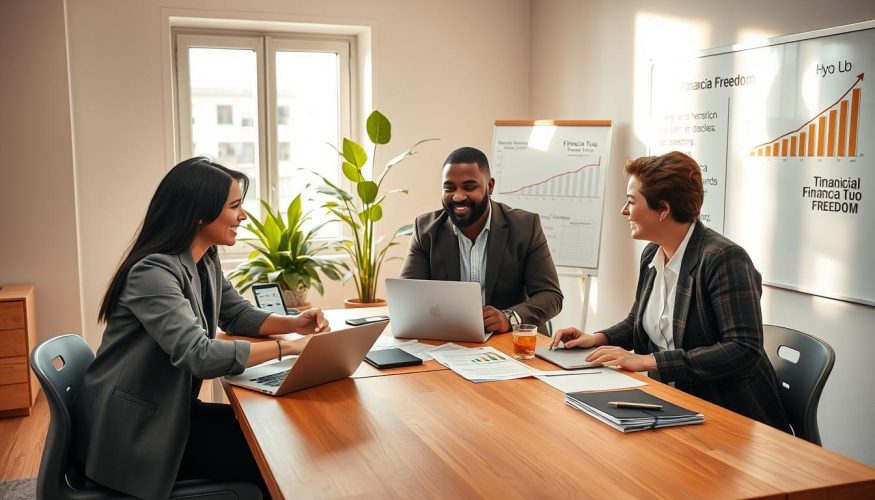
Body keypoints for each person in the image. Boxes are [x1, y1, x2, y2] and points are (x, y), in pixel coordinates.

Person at [71, 157, 330, 499]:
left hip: (166, 411)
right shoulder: (153, 272)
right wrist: (289, 348)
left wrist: (295, 323)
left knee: (270, 440)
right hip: (132, 433)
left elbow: (236, 314)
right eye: (235, 206)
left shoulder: (204, 258)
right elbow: (199, 355)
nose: (244, 216)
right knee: (273, 462)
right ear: (199, 213)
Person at [550, 151, 789, 431]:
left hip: (727, 412)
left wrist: (650, 361)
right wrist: (597, 338)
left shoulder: (724, 259)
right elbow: (638, 321)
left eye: (630, 201)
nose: (623, 211)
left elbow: (743, 349)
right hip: (670, 401)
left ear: (663, 209)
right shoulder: (652, 253)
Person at [400, 146, 563, 334]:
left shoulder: (525, 226)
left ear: (490, 186)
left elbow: (551, 296)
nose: (458, 196)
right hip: (450, 340)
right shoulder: (425, 230)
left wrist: (509, 317)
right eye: (449, 188)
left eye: (469, 187)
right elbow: (407, 297)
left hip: (511, 340)